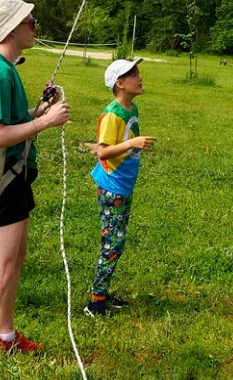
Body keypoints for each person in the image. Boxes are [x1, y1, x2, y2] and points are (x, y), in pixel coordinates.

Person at [0, 0, 70, 380]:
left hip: (15, 173)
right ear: (12, 27)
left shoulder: (0, 67)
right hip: (2, 178)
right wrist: (46, 123)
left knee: (14, 259)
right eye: (30, 22)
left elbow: (9, 120)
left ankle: (4, 333)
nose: (35, 28)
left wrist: (36, 112)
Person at [84, 59, 156, 317]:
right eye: (133, 74)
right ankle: (95, 303)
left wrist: (134, 143)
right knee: (113, 244)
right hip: (112, 186)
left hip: (124, 186)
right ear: (120, 83)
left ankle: (102, 292)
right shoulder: (112, 114)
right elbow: (102, 151)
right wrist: (133, 143)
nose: (140, 77)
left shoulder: (131, 108)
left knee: (116, 243)